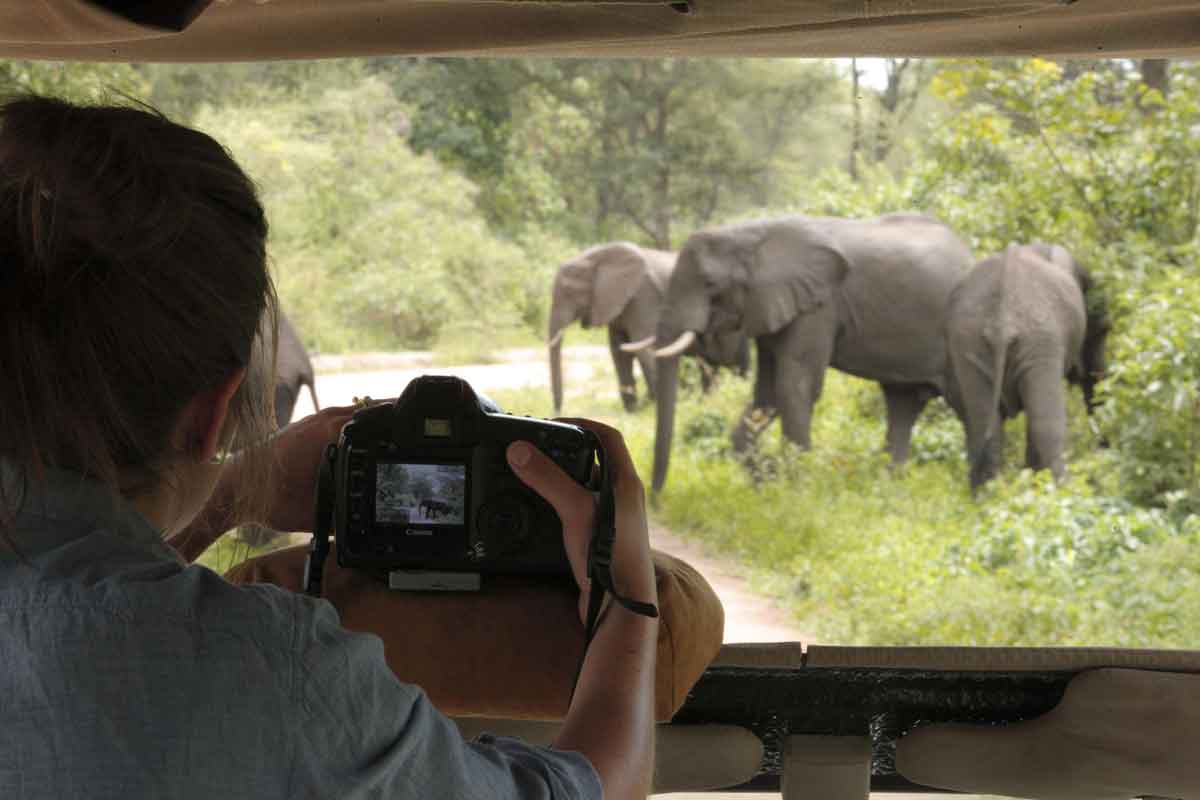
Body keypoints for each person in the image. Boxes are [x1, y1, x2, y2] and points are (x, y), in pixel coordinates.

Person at [0, 95, 658, 799]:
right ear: (215, 409)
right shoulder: (270, 670)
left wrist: (232, 490)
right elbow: (589, 791)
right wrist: (626, 600)